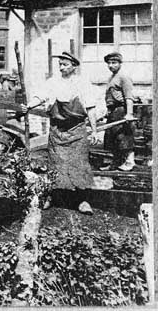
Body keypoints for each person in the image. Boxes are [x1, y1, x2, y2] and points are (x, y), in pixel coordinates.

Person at [25, 51, 99, 215]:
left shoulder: (82, 83)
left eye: (65, 64)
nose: (61, 67)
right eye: (60, 64)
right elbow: (41, 96)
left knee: (79, 165)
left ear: (74, 66)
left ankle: (83, 200)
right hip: (57, 130)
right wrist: (30, 105)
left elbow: (91, 107)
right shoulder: (53, 82)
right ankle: (51, 197)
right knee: (55, 165)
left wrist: (93, 131)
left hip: (77, 130)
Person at [100, 51, 137, 171]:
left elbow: (128, 97)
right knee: (112, 137)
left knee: (124, 137)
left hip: (122, 110)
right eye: (109, 63)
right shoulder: (111, 77)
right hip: (113, 111)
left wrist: (129, 113)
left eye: (114, 62)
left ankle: (130, 162)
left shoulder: (124, 77)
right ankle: (115, 163)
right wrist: (107, 112)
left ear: (120, 63)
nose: (111, 65)